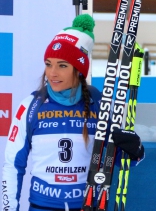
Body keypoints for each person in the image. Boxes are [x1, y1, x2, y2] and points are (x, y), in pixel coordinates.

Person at [1, 14, 144, 211]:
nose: (52, 73)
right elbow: (12, 166)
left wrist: (135, 150)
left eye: (62, 65)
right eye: (49, 64)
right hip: (42, 206)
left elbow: (119, 158)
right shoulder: (31, 106)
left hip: (87, 205)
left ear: (79, 70)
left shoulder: (99, 104)